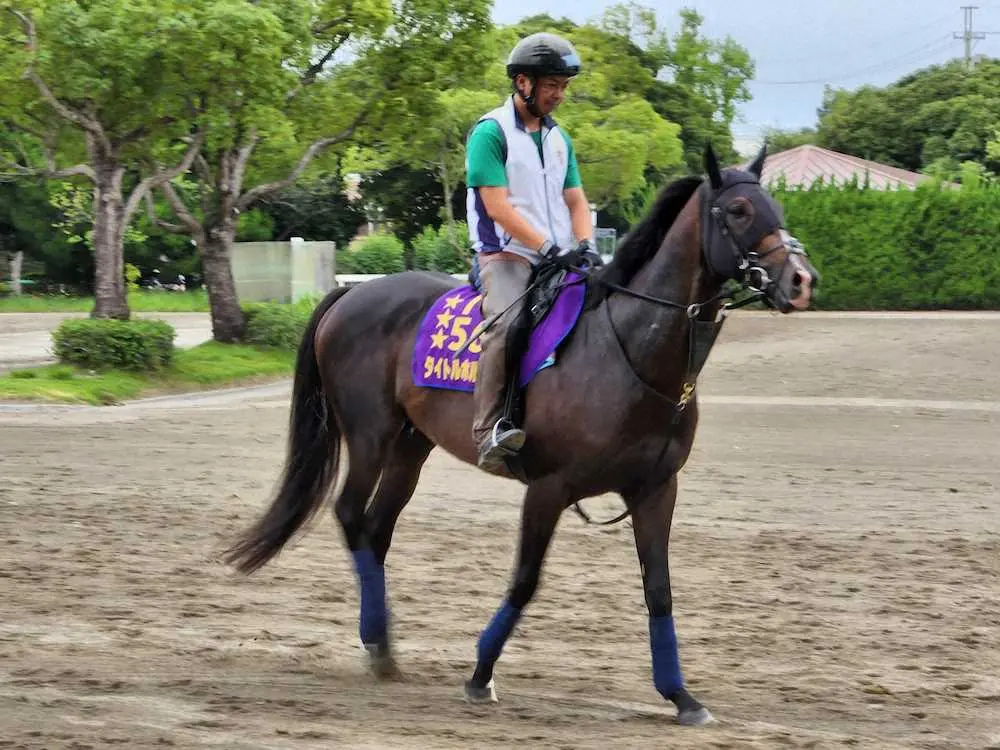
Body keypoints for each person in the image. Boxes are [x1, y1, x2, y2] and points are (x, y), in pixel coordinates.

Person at [465, 32, 600, 472]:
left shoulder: (560, 138)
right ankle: (488, 433)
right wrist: (545, 246)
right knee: (506, 325)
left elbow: (576, 200)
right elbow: (497, 206)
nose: (560, 95)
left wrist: (584, 244)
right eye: (552, 86)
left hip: (559, 253)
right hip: (507, 256)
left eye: (563, 86)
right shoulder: (490, 133)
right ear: (523, 82)